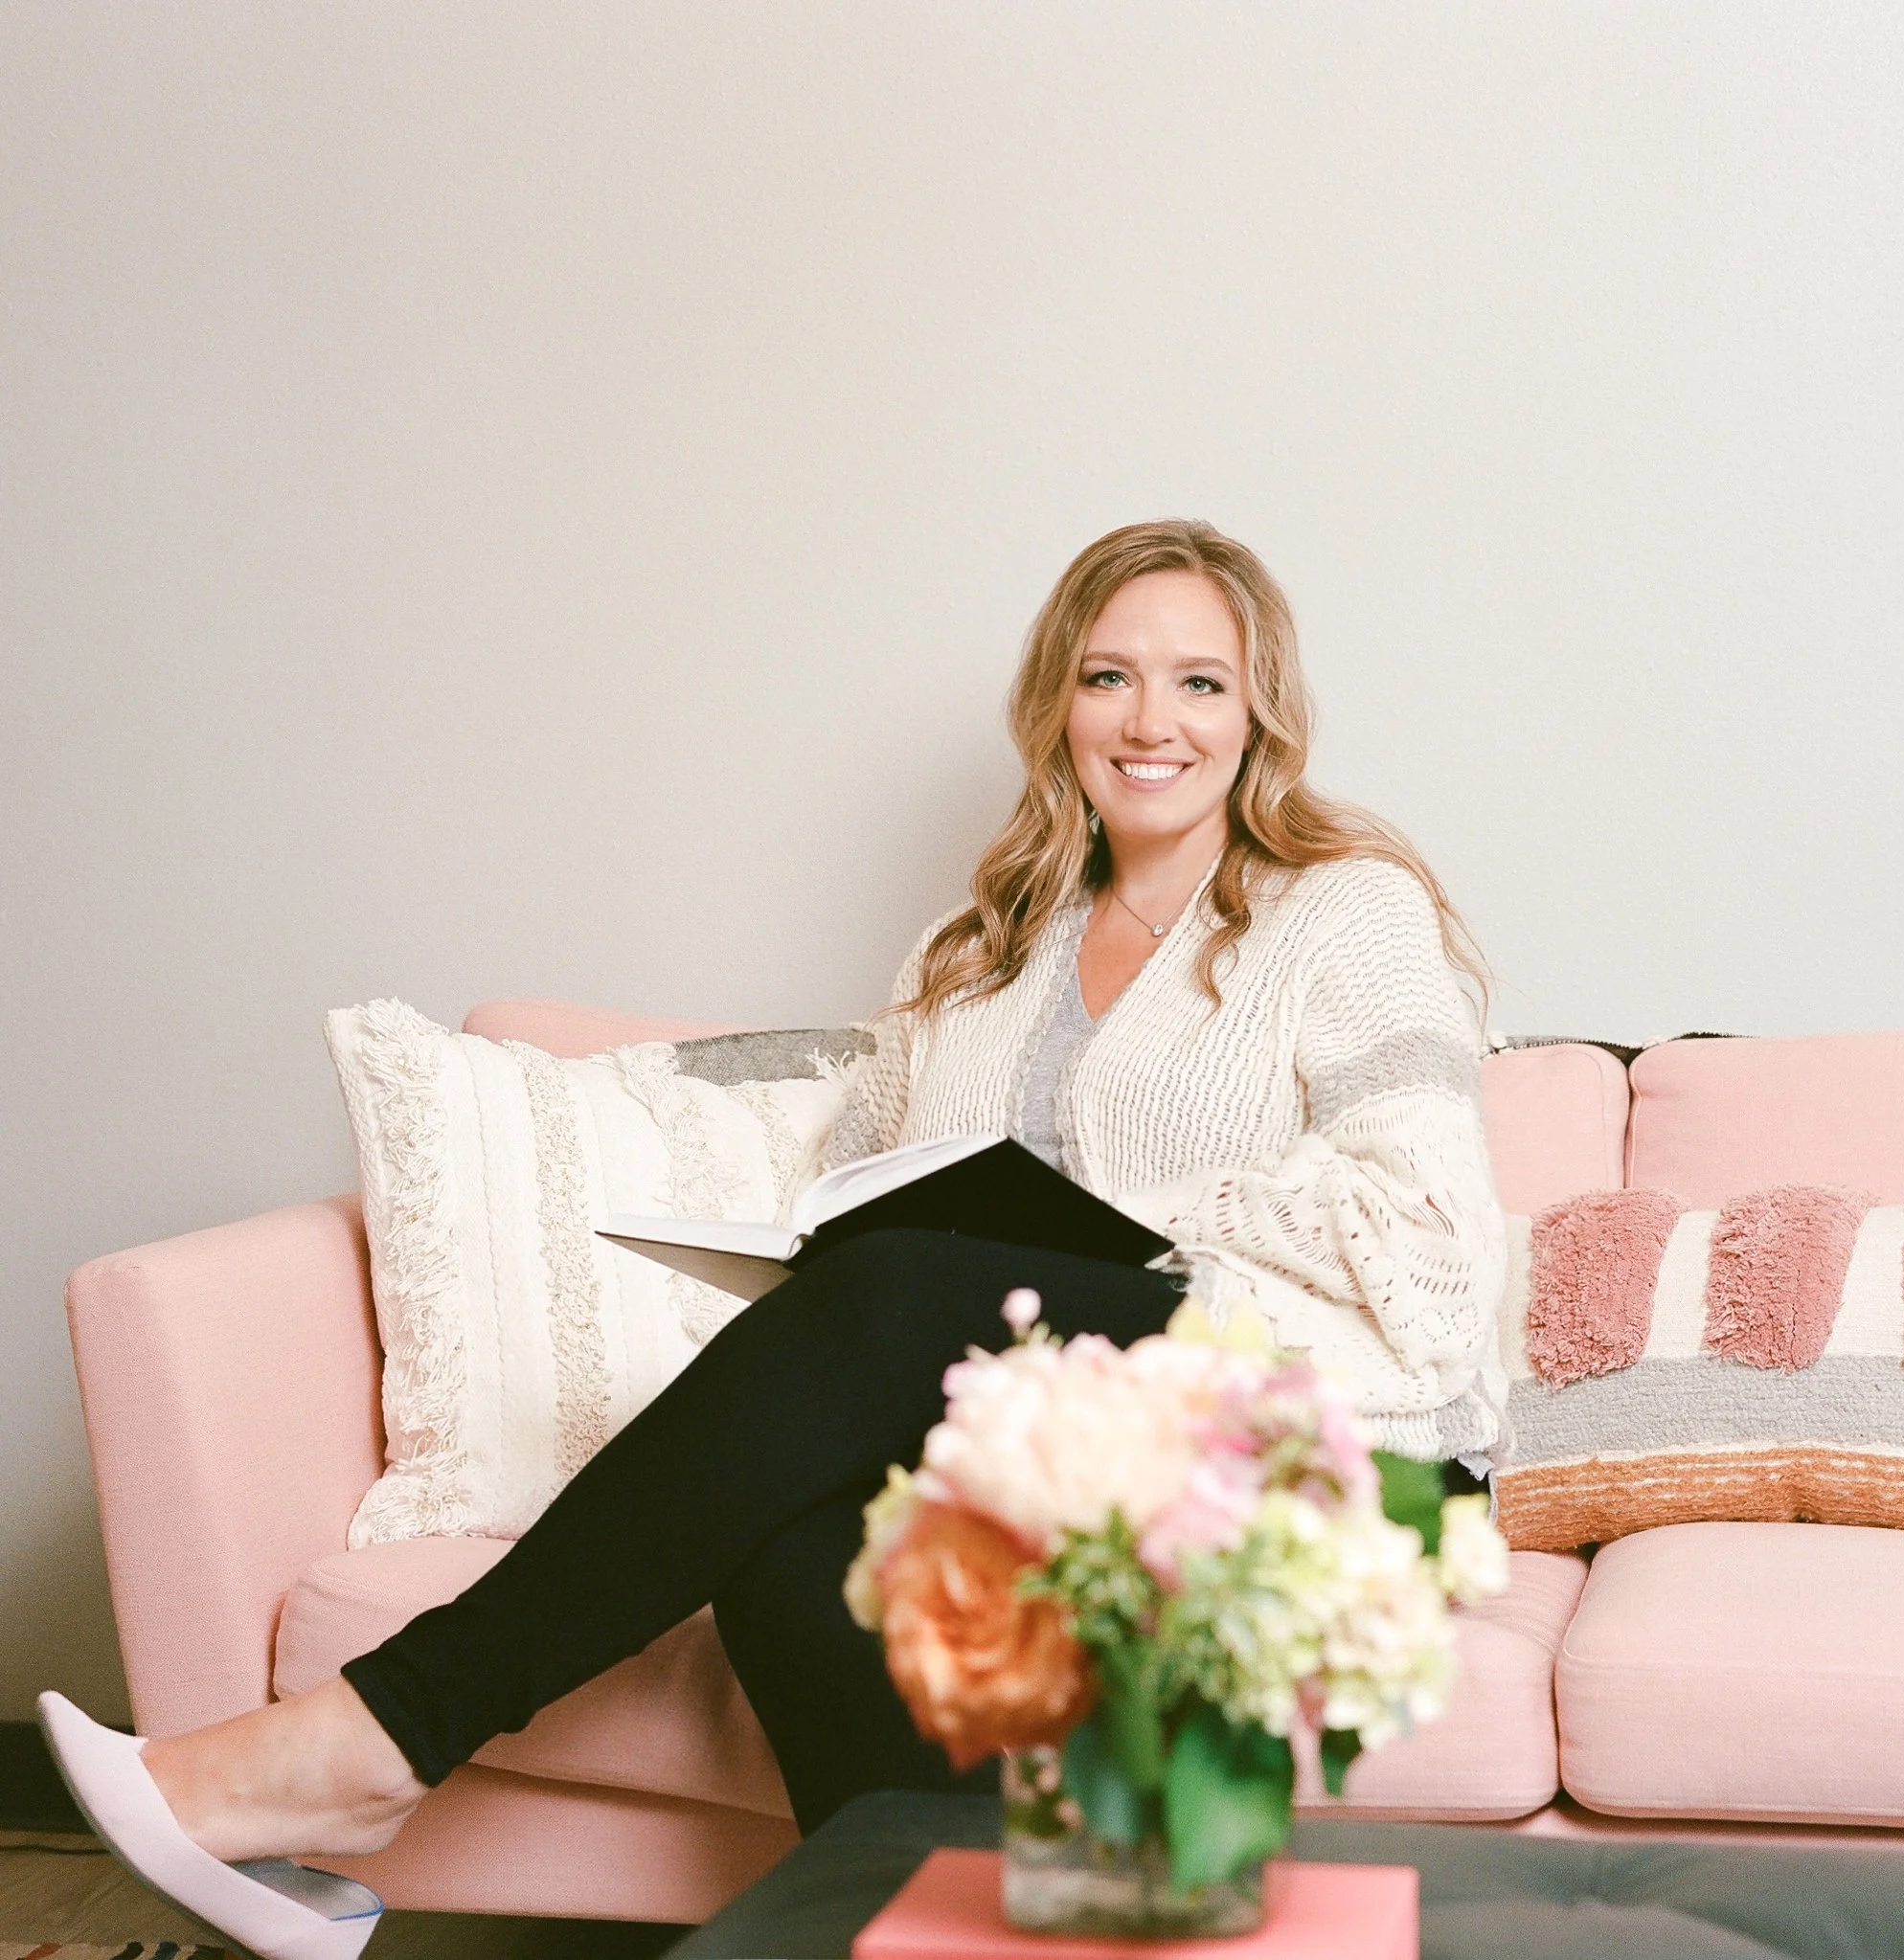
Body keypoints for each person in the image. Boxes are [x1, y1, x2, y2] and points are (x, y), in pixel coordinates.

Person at [41, 519, 1510, 1958]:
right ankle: (959, 1939)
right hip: (1049, 1433)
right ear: (1057, 701)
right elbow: (870, 1198)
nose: (1150, 720)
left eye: (1200, 681)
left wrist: (1114, 1248)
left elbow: (1431, 1238)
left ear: (1260, 713)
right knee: (796, 1547)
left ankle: (376, 1736)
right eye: (1108, 675)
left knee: (907, 1292)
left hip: (1305, 1411)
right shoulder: (975, 951)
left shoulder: (1344, 912)